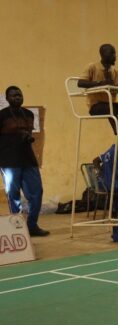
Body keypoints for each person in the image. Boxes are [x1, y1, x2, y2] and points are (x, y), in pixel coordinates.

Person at [0, 86, 49, 236]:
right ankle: (18, 228)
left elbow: (29, 134)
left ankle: (32, 225)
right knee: (13, 195)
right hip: (9, 161)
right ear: (7, 99)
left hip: (28, 159)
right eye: (13, 95)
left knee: (37, 192)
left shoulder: (29, 114)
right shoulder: (2, 115)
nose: (17, 97)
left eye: (19, 95)